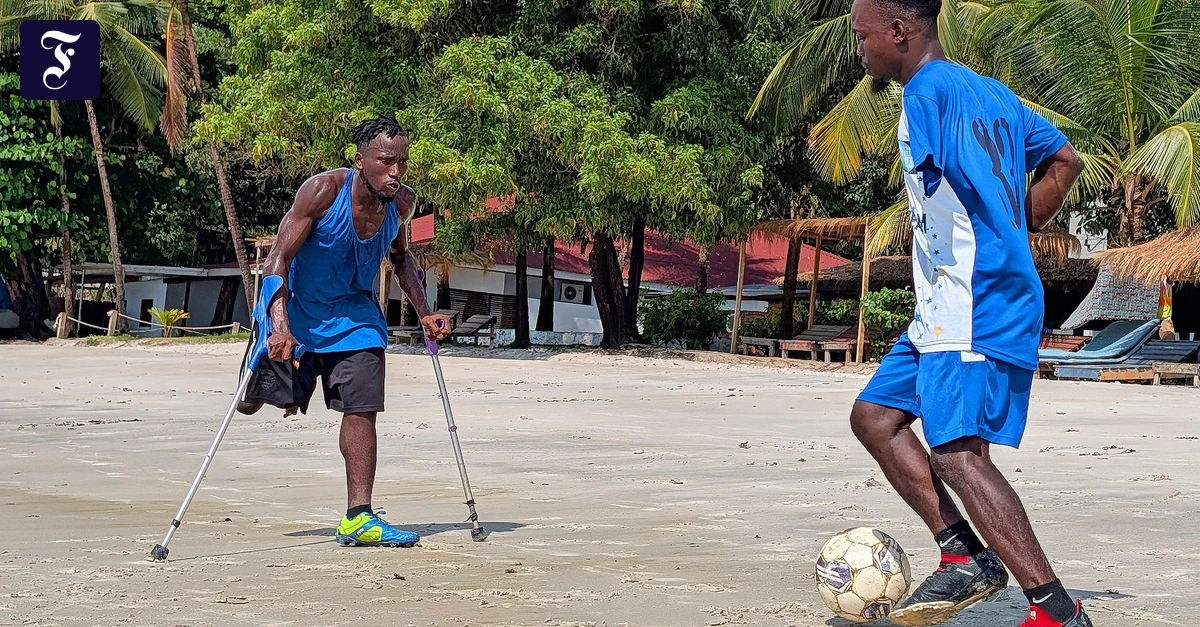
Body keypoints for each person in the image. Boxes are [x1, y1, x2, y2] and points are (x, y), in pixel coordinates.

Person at [846, 0, 1089, 625]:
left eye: (863, 35)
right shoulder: (994, 94)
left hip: (975, 302)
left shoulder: (926, 93)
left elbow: (965, 174)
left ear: (898, 31)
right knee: (875, 418)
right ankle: (964, 555)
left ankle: (1056, 610)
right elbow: (1066, 159)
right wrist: (1018, 224)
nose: (859, 49)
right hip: (944, 304)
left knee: (957, 456)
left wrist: (1004, 236)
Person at [237, 115, 452, 548]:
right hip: (297, 316)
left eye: (402, 162)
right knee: (248, 404)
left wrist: (425, 312)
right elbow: (277, 260)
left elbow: (401, 258)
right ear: (360, 160)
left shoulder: (402, 203)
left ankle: (359, 516)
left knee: (362, 407)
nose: (395, 172)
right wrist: (278, 327)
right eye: (386, 161)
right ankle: (261, 367)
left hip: (357, 320)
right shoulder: (322, 191)